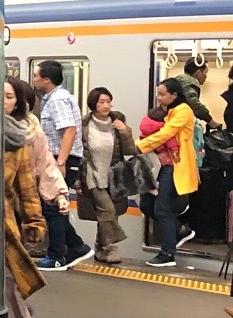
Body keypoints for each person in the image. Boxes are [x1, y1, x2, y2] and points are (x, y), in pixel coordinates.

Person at [12, 76, 91, 268]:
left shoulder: (56, 103)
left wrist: (61, 162)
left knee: (52, 211)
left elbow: (68, 131)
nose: (35, 79)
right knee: (51, 211)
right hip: (53, 165)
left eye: (37, 75)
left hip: (58, 161)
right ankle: (76, 246)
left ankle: (60, 254)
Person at [3, 90, 47, 318]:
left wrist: (34, 221)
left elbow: (27, 186)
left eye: (8, 96)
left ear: (17, 102)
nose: (2, 101)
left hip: (2, 222)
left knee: (10, 284)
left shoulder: (19, 141)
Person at [137, 76, 201, 266]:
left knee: (162, 208)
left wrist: (138, 146)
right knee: (147, 205)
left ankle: (167, 254)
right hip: (163, 166)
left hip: (175, 166)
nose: (159, 98)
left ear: (174, 95)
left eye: (162, 94)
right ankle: (179, 229)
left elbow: (165, 134)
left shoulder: (183, 111)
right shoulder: (170, 111)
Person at [79, 86, 137, 263]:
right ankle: (111, 247)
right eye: (102, 102)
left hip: (113, 175)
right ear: (93, 105)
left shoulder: (117, 122)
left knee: (109, 215)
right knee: (108, 210)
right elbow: (78, 151)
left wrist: (125, 131)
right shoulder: (84, 125)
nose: (106, 106)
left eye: (109, 101)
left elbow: (130, 150)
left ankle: (100, 247)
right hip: (92, 175)